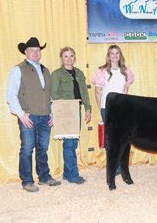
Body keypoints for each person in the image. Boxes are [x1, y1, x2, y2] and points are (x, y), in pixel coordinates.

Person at [6, 37, 61, 192]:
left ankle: (44, 177)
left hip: (44, 116)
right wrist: (21, 114)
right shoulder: (18, 69)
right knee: (27, 148)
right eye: (32, 50)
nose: (36, 53)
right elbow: (11, 95)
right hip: (28, 116)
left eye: (38, 50)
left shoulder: (45, 70)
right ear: (26, 52)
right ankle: (27, 181)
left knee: (42, 148)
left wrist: (51, 112)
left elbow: (48, 94)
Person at [51, 47, 92, 184]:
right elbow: (53, 92)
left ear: (74, 58)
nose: (69, 59)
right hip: (65, 111)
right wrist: (60, 100)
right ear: (61, 59)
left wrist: (88, 108)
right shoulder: (56, 74)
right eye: (66, 56)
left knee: (72, 142)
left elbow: (84, 93)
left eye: (71, 56)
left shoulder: (79, 73)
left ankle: (67, 173)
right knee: (69, 144)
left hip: (77, 110)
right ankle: (73, 176)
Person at [91, 45, 134, 175]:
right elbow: (98, 92)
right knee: (110, 138)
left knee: (122, 138)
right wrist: (101, 108)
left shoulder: (126, 71)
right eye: (112, 53)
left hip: (121, 109)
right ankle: (112, 167)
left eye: (117, 53)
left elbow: (125, 90)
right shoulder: (102, 71)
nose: (115, 56)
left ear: (120, 55)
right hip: (107, 108)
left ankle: (120, 166)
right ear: (108, 55)